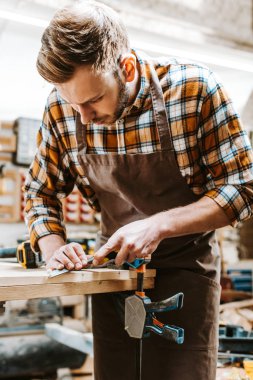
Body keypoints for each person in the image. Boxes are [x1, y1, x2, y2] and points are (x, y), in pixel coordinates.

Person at [24, 1, 253, 379]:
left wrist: (157, 225)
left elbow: (243, 187)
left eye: (93, 99)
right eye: (71, 102)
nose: (83, 116)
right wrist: (53, 247)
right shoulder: (62, 110)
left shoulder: (194, 91)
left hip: (186, 274)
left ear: (126, 68)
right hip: (113, 277)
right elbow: (39, 191)